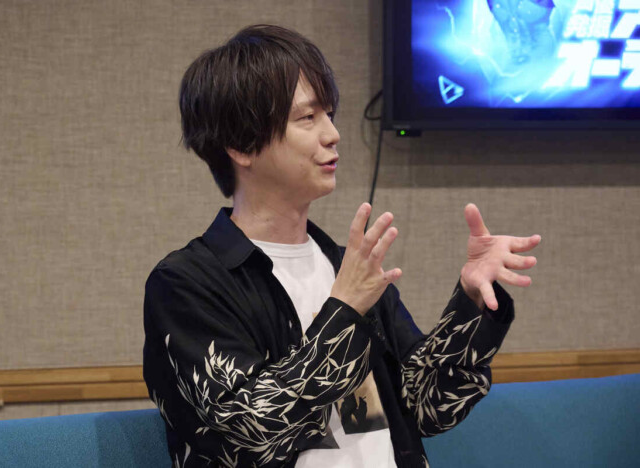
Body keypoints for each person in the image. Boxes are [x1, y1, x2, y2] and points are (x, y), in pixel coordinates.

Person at [143, 24, 541, 468]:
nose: (333, 134)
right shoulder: (185, 285)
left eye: (329, 114)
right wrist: (345, 310)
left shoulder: (344, 265)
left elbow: (427, 408)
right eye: (307, 118)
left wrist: (470, 302)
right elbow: (252, 432)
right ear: (240, 145)